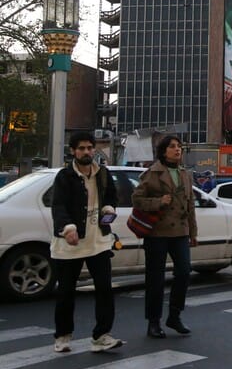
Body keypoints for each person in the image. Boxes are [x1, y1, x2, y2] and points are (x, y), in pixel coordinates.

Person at [50, 131, 124, 353]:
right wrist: (68, 228)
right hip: (69, 244)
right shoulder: (64, 176)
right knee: (66, 293)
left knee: (104, 290)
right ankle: (63, 336)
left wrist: (109, 209)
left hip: (98, 241)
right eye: (81, 148)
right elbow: (58, 206)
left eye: (90, 148)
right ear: (73, 151)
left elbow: (111, 196)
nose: (86, 152)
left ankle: (102, 336)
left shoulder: (102, 173)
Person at [132, 135, 198, 338]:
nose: (177, 150)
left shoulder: (185, 174)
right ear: (163, 151)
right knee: (155, 279)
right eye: (172, 146)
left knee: (184, 272)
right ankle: (154, 321)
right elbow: (136, 199)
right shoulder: (153, 173)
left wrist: (193, 232)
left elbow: (190, 205)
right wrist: (158, 201)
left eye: (179, 146)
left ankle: (174, 316)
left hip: (180, 231)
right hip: (157, 233)